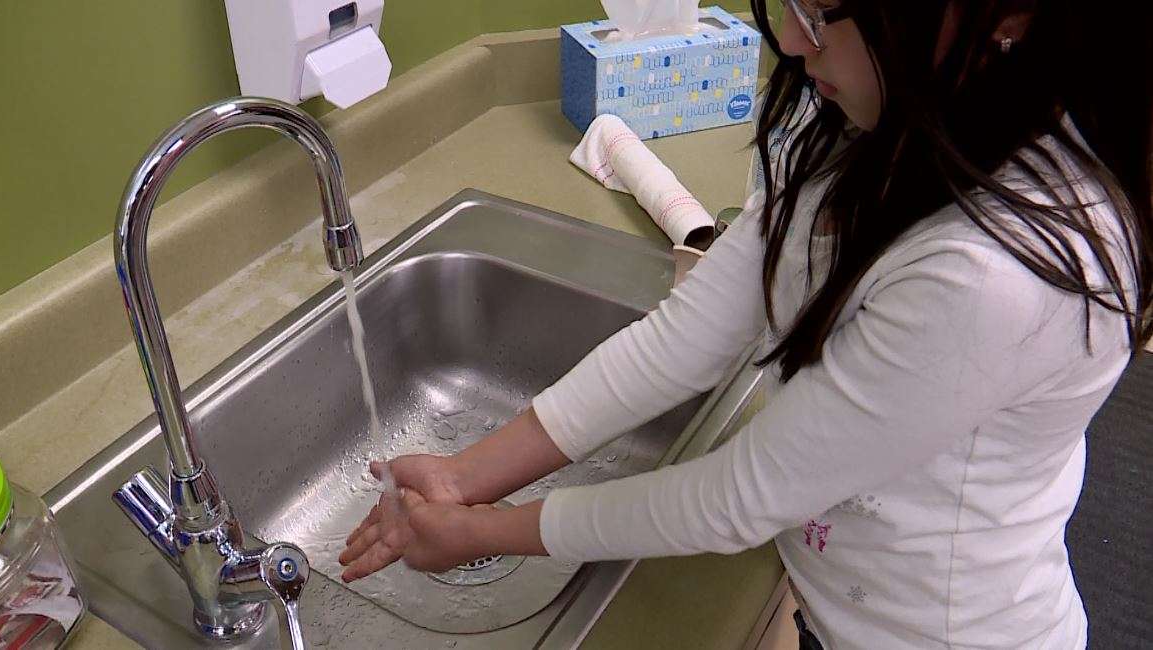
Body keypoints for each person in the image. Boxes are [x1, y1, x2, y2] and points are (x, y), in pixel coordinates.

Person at [339, 1, 1153, 647]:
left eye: (831, 11)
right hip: (840, 609)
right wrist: (467, 476)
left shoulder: (1001, 274)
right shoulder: (859, 116)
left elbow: (738, 496)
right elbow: (685, 335)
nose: (795, 44)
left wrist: (490, 532)